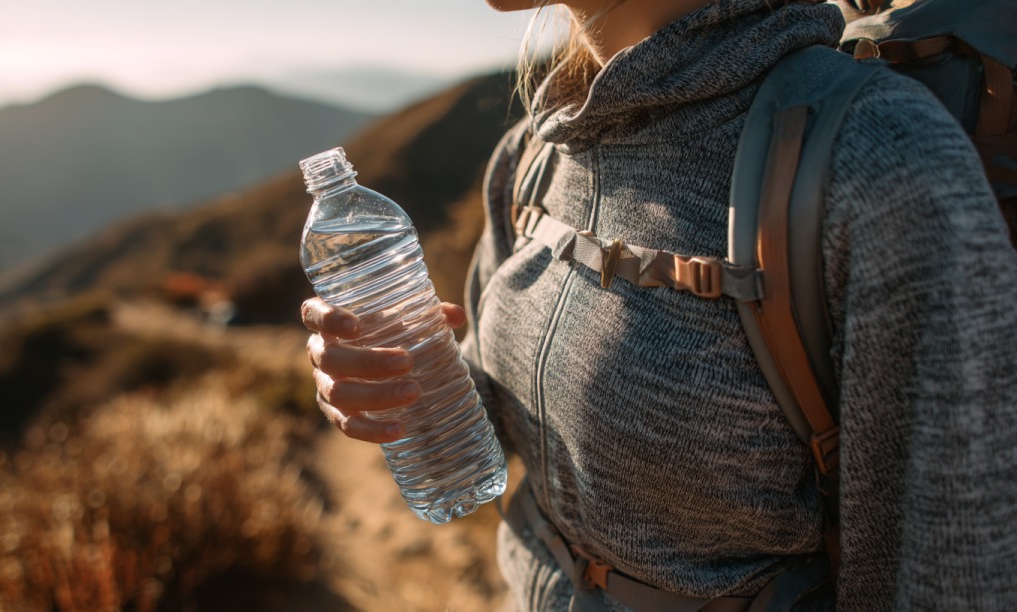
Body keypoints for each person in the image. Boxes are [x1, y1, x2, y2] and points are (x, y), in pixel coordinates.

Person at [301, 0, 1017, 609]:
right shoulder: (534, 154)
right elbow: (505, 407)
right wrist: (403, 386)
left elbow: (945, 576)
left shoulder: (878, 155)